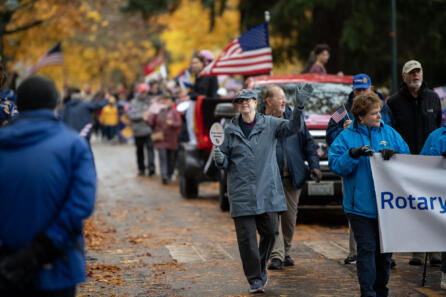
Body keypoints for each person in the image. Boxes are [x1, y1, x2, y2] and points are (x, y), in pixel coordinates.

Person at [0, 75, 96, 296]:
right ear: (55, 103)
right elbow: (82, 204)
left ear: (18, 104)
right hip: (57, 263)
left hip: (7, 265)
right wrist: (44, 247)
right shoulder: (74, 145)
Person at [213, 85, 312, 293]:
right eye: (241, 101)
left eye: (248, 100)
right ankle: (255, 279)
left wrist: (299, 106)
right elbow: (224, 160)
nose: (245, 104)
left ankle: (259, 267)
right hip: (241, 193)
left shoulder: (270, 124)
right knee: (247, 241)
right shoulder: (229, 131)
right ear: (237, 106)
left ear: (256, 103)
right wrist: (221, 160)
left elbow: (293, 128)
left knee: (270, 232)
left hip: (267, 190)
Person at [328, 92, 409, 297]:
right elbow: (335, 165)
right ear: (361, 117)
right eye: (374, 113)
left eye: (379, 112)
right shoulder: (346, 137)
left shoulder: (390, 133)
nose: (379, 116)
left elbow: (408, 159)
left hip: (386, 206)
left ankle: (381, 290)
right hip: (359, 207)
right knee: (366, 250)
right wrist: (352, 155)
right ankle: (368, 293)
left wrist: (396, 156)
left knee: (384, 254)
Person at [326, 73, 393, 266]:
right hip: (353, 166)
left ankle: (384, 252)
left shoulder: (383, 107)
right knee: (356, 208)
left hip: (381, 170)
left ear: (371, 88)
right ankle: (354, 251)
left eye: (364, 89)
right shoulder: (341, 111)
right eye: (357, 89)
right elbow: (330, 135)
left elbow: (387, 128)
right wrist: (344, 130)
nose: (360, 92)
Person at [257, 85, 322, 270]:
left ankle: (286, 252)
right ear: (269, 101)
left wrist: (315, 166)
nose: (284, 101)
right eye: (280, 98)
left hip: (293, 177)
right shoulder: (259, 121)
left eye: (285, 97)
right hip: (270, 179)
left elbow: (308, 143)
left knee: (289, 219)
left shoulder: (295, 118)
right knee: (272, 218)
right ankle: (276, 256)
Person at [387, 60, 442, 266]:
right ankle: (417, 252)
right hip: (405, 163)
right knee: (411, 208)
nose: (415, 76)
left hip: (431, 163)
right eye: (411, 73)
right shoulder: (393, 102)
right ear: (404, 76)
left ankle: (434, 249)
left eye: (418, 72)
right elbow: (390, 131)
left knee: (432, 205)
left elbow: (438, 129)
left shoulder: (433, 98)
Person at [146, 94, 182, 184]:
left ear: (171, 102)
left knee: (171, 158)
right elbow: (151, 123)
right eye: (164, 100)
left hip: (172, 139)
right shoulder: (157, 112)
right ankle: (164, 175)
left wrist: (172, 123)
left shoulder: (174, 112)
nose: (166, 102)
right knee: (162, 156)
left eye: (168, 100)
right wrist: (147, 118)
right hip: (161, 138)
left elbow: (179, 123)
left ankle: (169, 174)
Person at [128, 83, 155, 176]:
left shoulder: (150, 101)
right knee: (140, 151)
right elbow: (131, 115)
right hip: (138, 130)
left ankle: (151, 167)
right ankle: (141, 168)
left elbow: (154, 113)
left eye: (145, 92)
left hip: (149, 130)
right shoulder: (133, 102)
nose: (143, 94)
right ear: (138, 92)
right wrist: (142, 115)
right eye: (142, 92)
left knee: (150, 149)